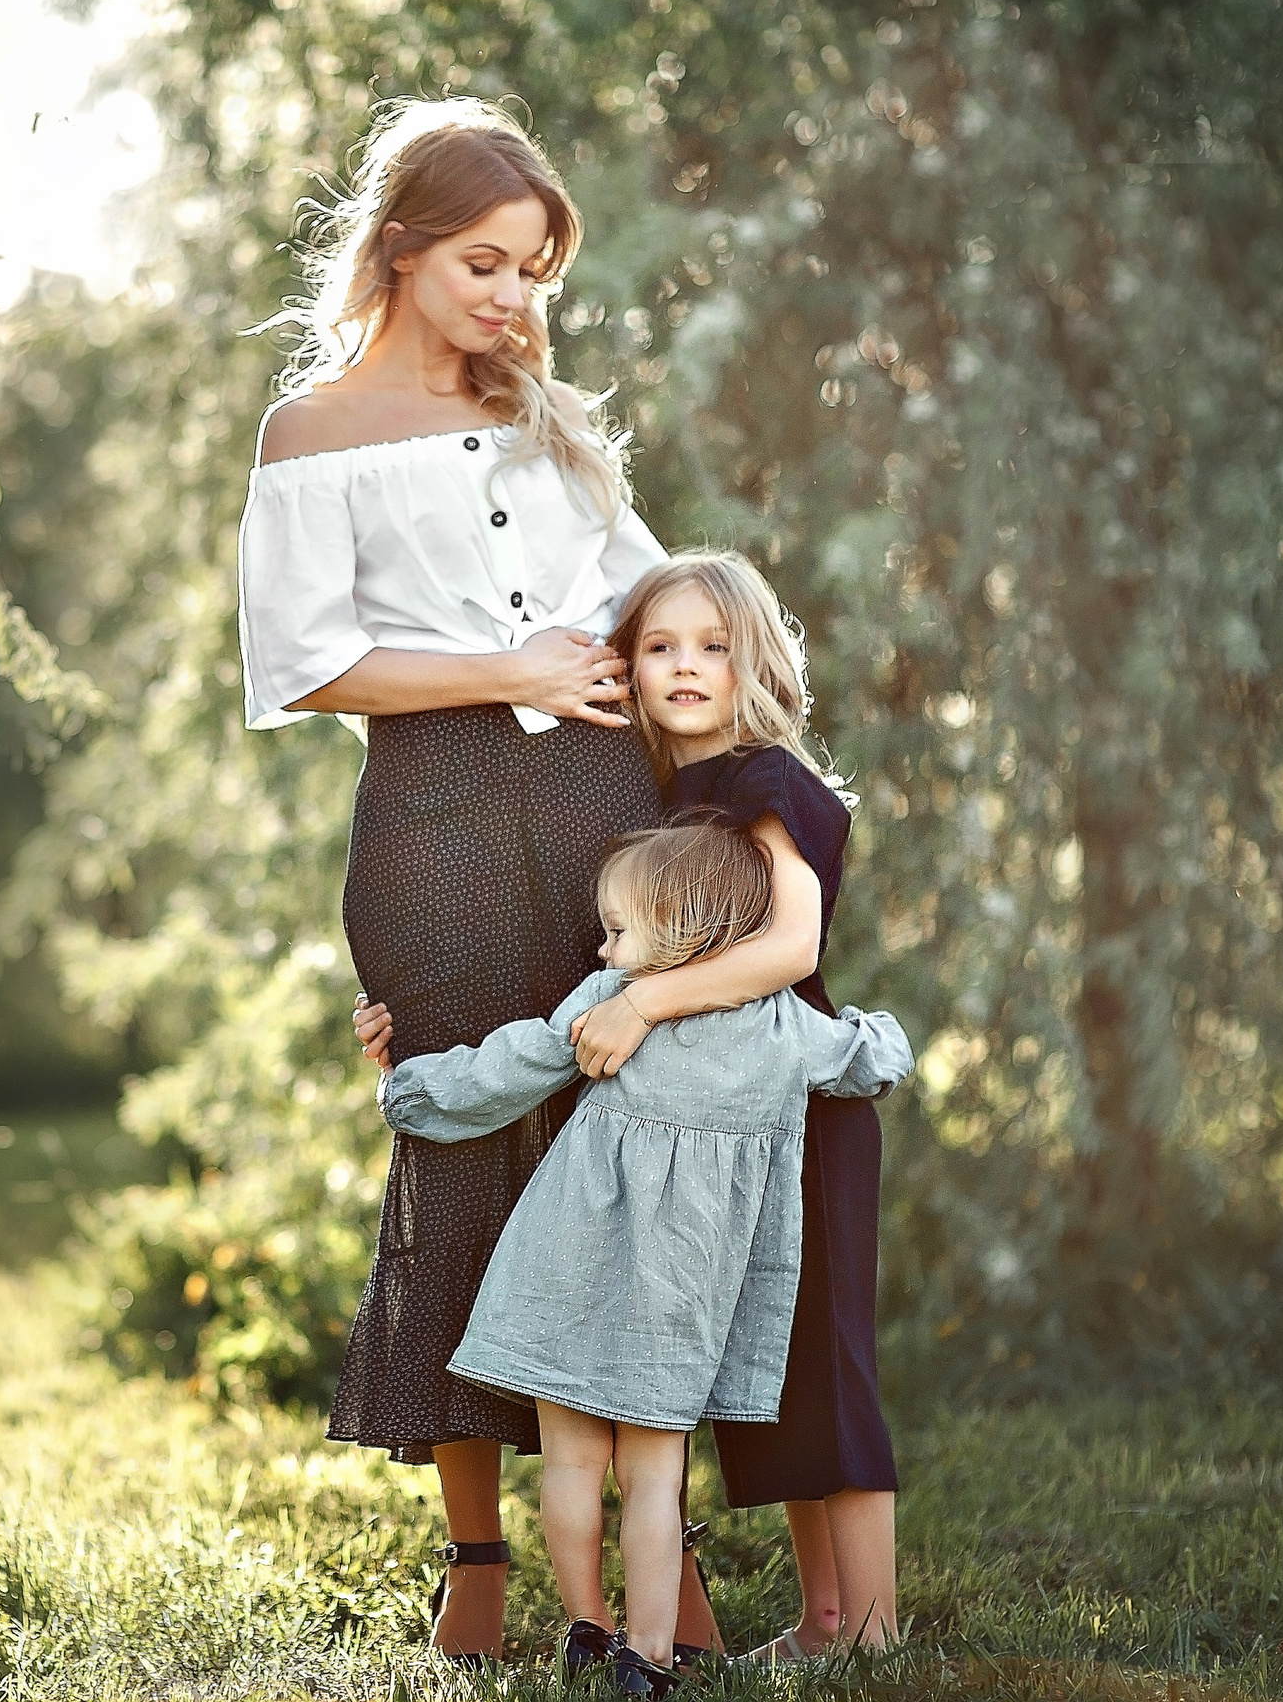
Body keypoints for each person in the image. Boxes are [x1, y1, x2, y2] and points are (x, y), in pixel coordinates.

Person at [234, 97, 705, 1664]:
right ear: (402, 249)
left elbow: (646, 591)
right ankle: (478, 1561)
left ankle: (664, 1558)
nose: (516, 299)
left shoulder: (545, 413)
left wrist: (730, 713)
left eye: (537, 273)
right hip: (428, 813)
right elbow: (306, 668)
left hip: (597, 796)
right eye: (488, 264)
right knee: (462, 1155)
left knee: (620, 1145)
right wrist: (501, 666)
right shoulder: (309, 435)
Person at [356, 550, 905, 1658]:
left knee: (825, 1356)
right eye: (660, 647)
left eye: (712, 646)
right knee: (779, 1361)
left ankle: (878, 1628)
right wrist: (404, 1017)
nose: (686, 667)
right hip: (700, 1114)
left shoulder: (767, 782)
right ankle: (822, 1619)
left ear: (759, 661)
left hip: (784, 1089)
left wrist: (643, 1003)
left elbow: (791, 946)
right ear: (625, 666)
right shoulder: (661, 792)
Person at [376, 821, 913, 1697]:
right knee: (656, 1478)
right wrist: (882, 1031)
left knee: (571, 1465)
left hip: (567, 1265)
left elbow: (512, 1068)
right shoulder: (784, 1025)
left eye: (619, 929)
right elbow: (870, 1062)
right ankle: (650, 1655)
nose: (603, 944)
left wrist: (410, 1090)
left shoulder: (608, 999)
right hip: (683, 1295)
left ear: (684, 932)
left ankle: (584, 1626)